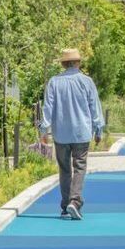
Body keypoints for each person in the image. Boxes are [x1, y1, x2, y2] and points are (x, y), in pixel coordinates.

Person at [39, 48, 104, 220]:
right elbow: (94, 106)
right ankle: (74, 202)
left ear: (64, 63)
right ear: (78, 62)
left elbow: (48, 107)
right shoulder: (86, 81)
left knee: (65, 168)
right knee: (80, 166)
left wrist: (44, 129)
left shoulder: (54, 82)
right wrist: (98, 129)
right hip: (81, 132)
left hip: (61, 133)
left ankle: (65, 205)